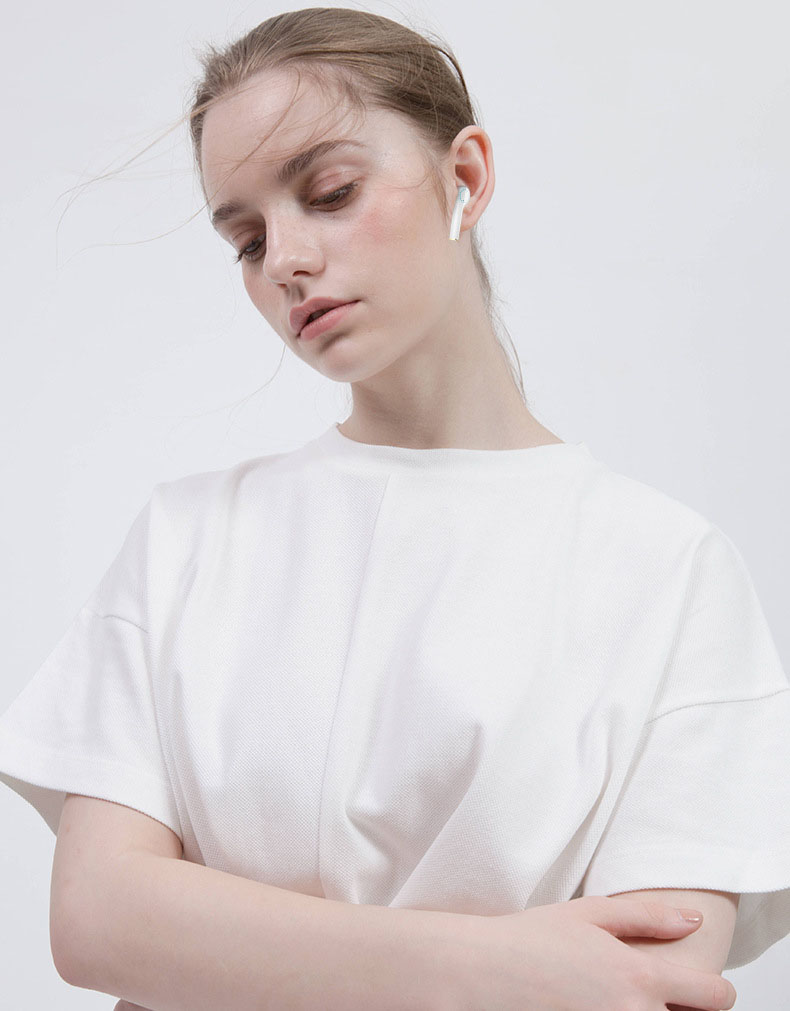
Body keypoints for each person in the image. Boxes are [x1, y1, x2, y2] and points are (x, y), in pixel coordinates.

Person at [0, 7, 787, 1010]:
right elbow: (97, 921)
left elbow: (650, 980)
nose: (284, 259)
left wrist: (220, 941)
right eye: (245, 238)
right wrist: (499, 964)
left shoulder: (667, 569)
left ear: (467, 177)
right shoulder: (185, 539)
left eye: (329, 193)